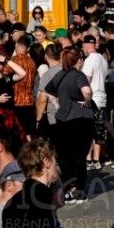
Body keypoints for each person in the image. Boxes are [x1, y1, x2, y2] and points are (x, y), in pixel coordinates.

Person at [0, 139, 70, 228]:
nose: (56, 164)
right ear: (46, 161)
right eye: (55, 160)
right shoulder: (40, 196)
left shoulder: (14, 200)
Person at [43, 47, 94, 204]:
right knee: (79, 156)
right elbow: (87, 91)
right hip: (81, 118)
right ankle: (79, 192)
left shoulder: (58, 75)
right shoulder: (78, 75)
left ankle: (67, 191)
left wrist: (57, 104)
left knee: (65, 157)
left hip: (62, 119)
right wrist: (86, 102)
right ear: (78, 60)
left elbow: (48, 91)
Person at [80, 35, 109, 171]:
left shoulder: (89, 60)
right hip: (102, 97)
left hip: (92, 98)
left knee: (89, 130)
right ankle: (96, 159)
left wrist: (83, 98)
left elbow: (86, 81)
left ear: (86, 45)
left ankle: (89, 159)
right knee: (99, 130)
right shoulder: (102, 59)